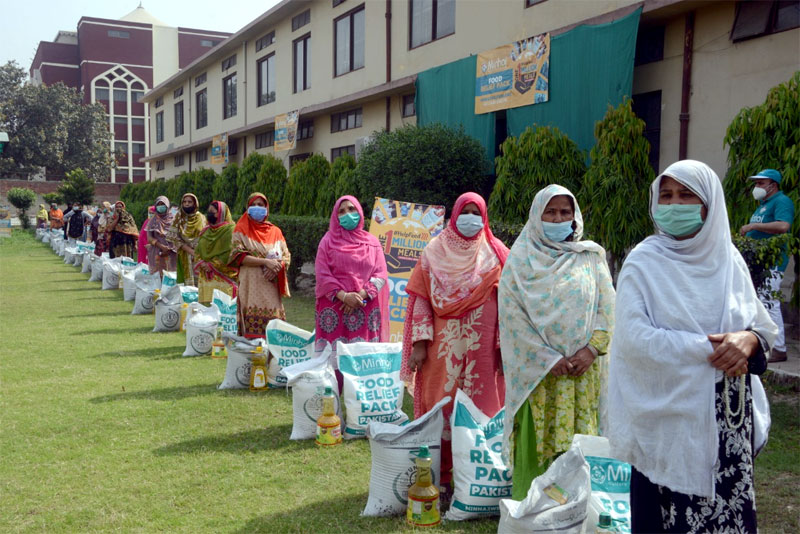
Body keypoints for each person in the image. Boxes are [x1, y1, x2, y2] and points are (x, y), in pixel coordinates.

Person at [608, 160, 776, 533]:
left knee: (728, 517)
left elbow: (762, 330)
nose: (674, 204)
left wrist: (748, 340)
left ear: (709, 204)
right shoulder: (643, 262)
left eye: (687, 195)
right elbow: (635, 339)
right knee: (663, 518)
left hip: (726, 421)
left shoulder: (729, 260)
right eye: (666, 195)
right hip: (664, 423)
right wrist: (713, 350)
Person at [498, 184, 615, 500]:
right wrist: (547, 359)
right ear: (537, 216)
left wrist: (591, 350)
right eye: (551, 211)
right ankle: (532, 511)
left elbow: (608, 308)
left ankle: (576, 510)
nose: (558, 217)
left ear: (575, 218)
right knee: (538, 445)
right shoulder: (520, 261)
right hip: (539, 378)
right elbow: (512, 319)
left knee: (580, 445)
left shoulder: (590, 257)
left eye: (565, 212)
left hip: (581, 375)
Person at [400, 192, 509, 499]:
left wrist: (503, 347)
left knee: (482, 405)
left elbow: (510, 301)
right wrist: (419, 345)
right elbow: (421, 297)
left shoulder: (497, 251)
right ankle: (442, 476)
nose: (471, 217)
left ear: (484, 216)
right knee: (442, 403)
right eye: (466, 211)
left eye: (477, 212)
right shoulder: (434, 250)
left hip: (484, 350)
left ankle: (481, 476)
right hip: (442, 349)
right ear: (455, 214)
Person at [314, 195, 389, 366]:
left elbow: (380, 274)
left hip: (365, 306)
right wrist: (344, 296)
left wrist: (359, 296)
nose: (347, 214)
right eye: (341, 211)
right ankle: (333, 387)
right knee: (334, 358)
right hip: (335, 307)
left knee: (363, 358)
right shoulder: (327, 241)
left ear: (360, 212)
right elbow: (322, 274)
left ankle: (361, 391)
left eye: (351, 209)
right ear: (335, 216)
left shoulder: (372, 242)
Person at [738, 168, 795, 363]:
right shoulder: (763, 205)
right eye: (756, 183)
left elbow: (783, 226)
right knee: (760, 303)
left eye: (761, 183)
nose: (757, 187)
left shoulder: (781, 202)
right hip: (759, 263)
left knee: (769, 303)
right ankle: (764, 344)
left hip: (773, 263)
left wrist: (753, 227)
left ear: (773, 185)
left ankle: (778, 348)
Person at [228, 193, 290, 339]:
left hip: (270, 284)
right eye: (253, 205)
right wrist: (265, 262)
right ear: (248, 208)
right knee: (251, 325)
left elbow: (286, 256)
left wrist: (277, 267)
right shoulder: (240, 228)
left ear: (266, 208)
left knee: (273, 324)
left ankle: (272, 354)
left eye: (260, 205)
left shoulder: (276, 232)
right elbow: (238, 256)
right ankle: (251, 355)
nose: (257, 208)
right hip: (251, 283)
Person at [194, 200, 238, 303]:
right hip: (206, 278)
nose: (210, 214)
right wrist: (202, 263)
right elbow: (198, 250)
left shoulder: (231, 230)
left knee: (222, 308)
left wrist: (211, 265)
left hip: (223, 278)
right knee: (206, 311)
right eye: (208, 211)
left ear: (222, 213)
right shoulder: (205, 231)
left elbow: (231, 252)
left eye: (213, 212)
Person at [168, 193, 207, 285]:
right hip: (184, 254)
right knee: (187, 285)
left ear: (195, 204)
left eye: (190, 202)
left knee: (200, 282)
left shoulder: (201, 218)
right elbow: (174, 238)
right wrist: (189, 250)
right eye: (184, 202)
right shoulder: (178, 217)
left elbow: (206, 236)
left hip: (200, 254)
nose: (187, 204)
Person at [147, 196, 177, 275]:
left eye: (163, 204)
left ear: (167, 205)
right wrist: (161, 246)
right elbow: (149, 238)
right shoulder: (153, 220)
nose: (161, 206)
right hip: (157, 253)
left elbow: (178, 236)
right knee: (158, 277)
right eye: (159, 204)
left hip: (172, 253)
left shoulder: (174, 220)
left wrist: (169, 248)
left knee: (171, 277)